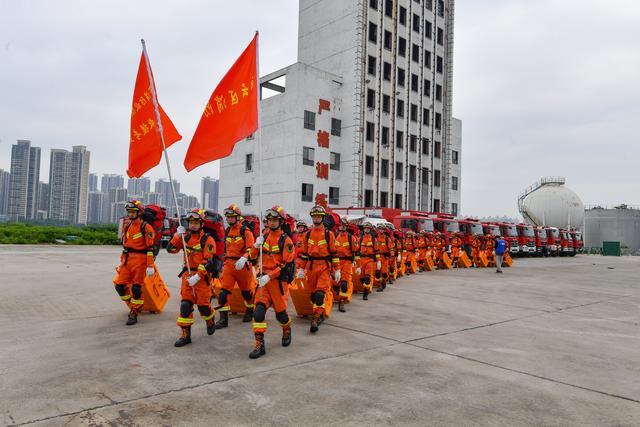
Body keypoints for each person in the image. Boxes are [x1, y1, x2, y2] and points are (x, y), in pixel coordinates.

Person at [247, 205, 295, 359]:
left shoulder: (286, 241)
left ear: (280, 221)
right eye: (269, 220)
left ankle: (286, 328)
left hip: (277, 283)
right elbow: (254, 255)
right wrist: (256, 245)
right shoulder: (264, 236)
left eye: (275, 220)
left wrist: (270, 276)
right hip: (263, 282)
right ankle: (259, 345)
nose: (271, 222)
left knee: (281, 316)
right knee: (258, 313)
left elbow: (286, 265)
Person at [167, 209, 218, 347]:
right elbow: (170, 249)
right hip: (187, 276)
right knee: (185, 305)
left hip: (202, 278)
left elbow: (208, 262)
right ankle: (185, 335)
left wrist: (197, 276)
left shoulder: (208, 239)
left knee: (203, 307)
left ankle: (210, 319)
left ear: (201, 224)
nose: (193, 225)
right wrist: (177, 236)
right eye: (191, 222)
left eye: (196, 222)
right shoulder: (185, 237)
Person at [297, 205, 340, 333]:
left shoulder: (329, 235)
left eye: (318, 216)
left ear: (322, 217)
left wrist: (337, 270)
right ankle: (319, 312)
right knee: (313, 296)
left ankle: (315, 319)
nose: (316, 218)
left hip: (324, 267)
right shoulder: (307, 234)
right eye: (314, 216)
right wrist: (301, 269)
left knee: (320, 294)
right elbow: (304, 254)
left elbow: (334, 254)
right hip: (311, 268)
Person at [113, 200, 156, 326]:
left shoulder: (146, 227)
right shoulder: (127, 226)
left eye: (133, 212)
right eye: (129, 212)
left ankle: (134, 312)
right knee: (119, 286)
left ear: (139, 213)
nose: (130, 214)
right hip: (127, 260)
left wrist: (150, 265)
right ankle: (134, 303)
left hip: (141, 261)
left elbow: (150, 248)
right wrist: (122, 261)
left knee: (137, 288)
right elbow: (125, 246)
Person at [215, 204, 256, 329]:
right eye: (228, 217)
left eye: (232, 217)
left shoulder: (245, 232)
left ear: (238, 217)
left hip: (243, 266)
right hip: (229, 266)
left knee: (247, 294)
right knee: (223, 293)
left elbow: (252, 249)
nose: (230, 219)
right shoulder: (227, 231)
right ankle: (223, 319)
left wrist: (244, 258)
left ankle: (250, 310)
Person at [334, 216, 359, 312]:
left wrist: (358, 265)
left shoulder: (351, 238)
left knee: (344, 283)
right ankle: (337, 294)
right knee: (335, 282)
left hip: (347, 263)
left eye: (344, 225)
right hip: (336, 262)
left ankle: (341, 302)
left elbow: (356, 252)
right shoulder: (334, 236)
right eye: (341, 225)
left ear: (347, 226)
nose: (342, 227)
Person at [357, 221, 380, 300]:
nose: (366, 230)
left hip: (370, 260)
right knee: (361, 278)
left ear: (370, 229)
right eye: (365, 228)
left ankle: (365, 293)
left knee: (367, 277)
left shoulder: (374, 240)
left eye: (368, 228)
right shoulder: (360, 239)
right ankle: (365, 287)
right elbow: (357, 250)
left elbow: (376, 251)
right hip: (361, 260)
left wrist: (378, 261)